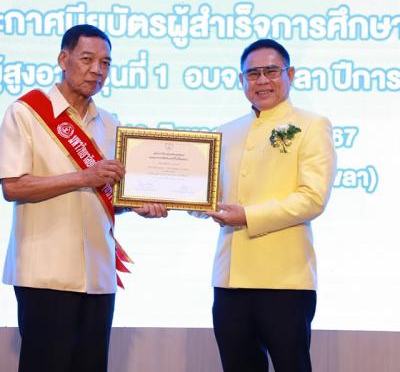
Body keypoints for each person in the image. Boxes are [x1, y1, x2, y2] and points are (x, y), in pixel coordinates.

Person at [0, 24, 167, 372]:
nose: (97, 70)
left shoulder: (110, 122)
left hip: (98, 274)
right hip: (45, 273)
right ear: (64, 59)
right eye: (87, 59)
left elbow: (108, 195)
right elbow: (13, 187)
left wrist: (137, 205)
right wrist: (83, 176)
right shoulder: (27, 113)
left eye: (106, 63)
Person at [205, 39, 337, 372]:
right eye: (253, 74)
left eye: (271, 71)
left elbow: (312, 198)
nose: (262, 80)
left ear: (290, 74)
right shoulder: (224, 132)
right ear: (241, 80)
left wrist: (247, 216)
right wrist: (166, 201)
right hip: (230, 280)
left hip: (285, 280)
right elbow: (206, 196)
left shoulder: (312, 125)